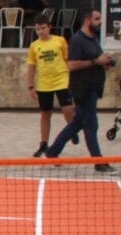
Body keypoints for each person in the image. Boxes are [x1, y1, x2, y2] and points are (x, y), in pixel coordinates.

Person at [45, 10, 116, 173]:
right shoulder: (77, 40)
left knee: (77, 123)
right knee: (91, 124)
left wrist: (104, 63)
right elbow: (72, 65)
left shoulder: (93, 39)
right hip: (82, 88)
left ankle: (53, 151)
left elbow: (96, 60)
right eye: (97, 19)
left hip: (93, 87)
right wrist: (94, 61)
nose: (100, 22)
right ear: (87, 20)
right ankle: (98, 161)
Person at [25, 13, 76, 157]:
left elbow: (67, 60)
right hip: (44, 84)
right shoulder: (34, 46)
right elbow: (31, 67)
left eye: (43, 28)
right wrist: (30, 86)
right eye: (38, 29)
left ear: (49, 27)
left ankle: (72, 130)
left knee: (68, 110)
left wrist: (72, 79)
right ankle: (43, 144)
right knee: (45, 114)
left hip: (62, 80)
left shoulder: (60, 41)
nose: (40, 31)